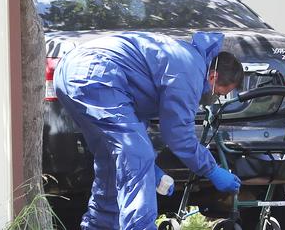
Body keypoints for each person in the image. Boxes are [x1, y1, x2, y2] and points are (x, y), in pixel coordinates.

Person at [53, 31, 244, 229]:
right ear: (213, 77)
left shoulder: (183, 58)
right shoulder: (190, 72)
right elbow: (179, 135)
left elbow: (134, 122)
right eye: (223, 93)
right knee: (136, 154)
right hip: (95, 74)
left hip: (73, 72)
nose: (218, 98)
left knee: (112, 159)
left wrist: (153, 172)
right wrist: (212, 170)